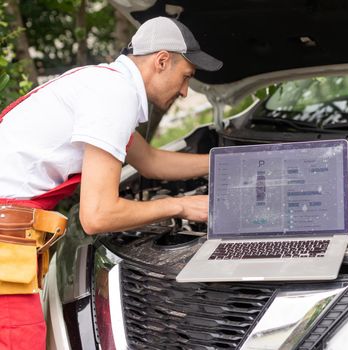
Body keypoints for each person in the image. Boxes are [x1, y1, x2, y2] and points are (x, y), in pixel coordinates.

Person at [0, 16, 222, 349]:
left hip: (12, 233)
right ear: (162, 61)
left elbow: (150, 161)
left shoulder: (103, 84)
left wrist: (226, 164)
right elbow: (98, 216)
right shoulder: (114, 94)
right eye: (185, 76)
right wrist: (180, 205)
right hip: (6, 237)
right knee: (19, 339)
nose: (185, 91)